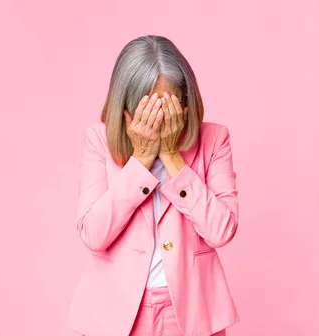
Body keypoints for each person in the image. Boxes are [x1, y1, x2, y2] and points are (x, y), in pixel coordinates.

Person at [69, 35, 239, 336]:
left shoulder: (214, 140)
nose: (159, 119)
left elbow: (221, 230)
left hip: (192, 313)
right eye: (148, 109)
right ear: (126, 108)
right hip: (116, 315)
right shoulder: (98, 141)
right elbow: (93, 234)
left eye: (169, 106)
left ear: (186, 105)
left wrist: (173, 158)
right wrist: (141, 160)